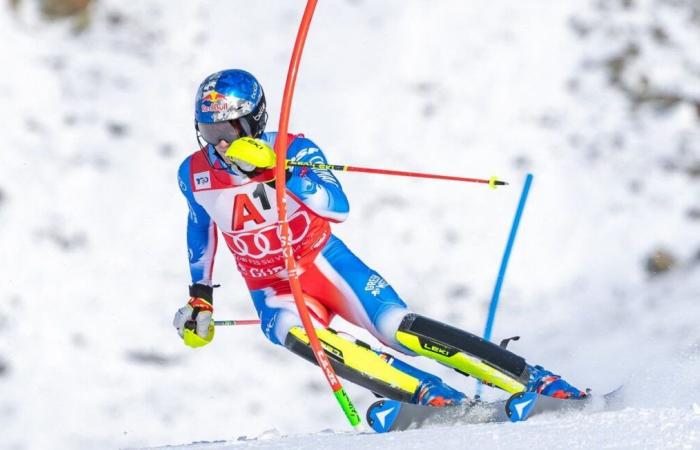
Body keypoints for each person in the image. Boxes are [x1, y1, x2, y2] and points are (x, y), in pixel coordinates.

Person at [174, 69, 586, 407]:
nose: (220, 144)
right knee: (291, 332)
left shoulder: (293, 147)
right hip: (271, 286)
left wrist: (281, 170)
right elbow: (200, 228)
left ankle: (531, 379)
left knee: (395, 328)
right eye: (209, 132)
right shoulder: (194, 173)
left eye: (228, 129)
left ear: (253, 121)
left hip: (325, 265)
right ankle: (428, 395)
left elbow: (337, 206)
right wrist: (200, 299)